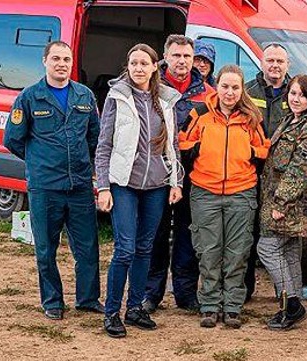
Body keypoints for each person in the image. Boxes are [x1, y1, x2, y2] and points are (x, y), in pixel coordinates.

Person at [3, 41, 102, 321]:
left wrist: (85, 164)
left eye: (67, 59)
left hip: (79, 185)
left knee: (87, 247)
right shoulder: (30, 97)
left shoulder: (84, 96)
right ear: (45, 61)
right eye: (56, 58)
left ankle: (88, 299)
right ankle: (53, 302)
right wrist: (39, 161)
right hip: (46, 187)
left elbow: (94, 137)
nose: (62, 64)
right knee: (46, 248)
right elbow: (12, 139)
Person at [94, 44, 184, 338]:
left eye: (144, 63)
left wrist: (175, 182)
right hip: (124, 184)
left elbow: (173, 147)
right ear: (128, 66)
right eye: (133, 63)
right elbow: (104, 143)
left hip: (156, 186)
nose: (139, 68)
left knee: (145, 248)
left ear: (155, 67)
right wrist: (103, 186)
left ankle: (135, 308)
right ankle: (111, 313)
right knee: (125, 248)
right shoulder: (117, 97)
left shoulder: (165, 100)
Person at [181, 65, 268, 329]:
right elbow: (182, 141)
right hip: (205, 192)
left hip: (241, 193)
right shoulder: (200, 114)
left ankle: (232, 306)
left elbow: (263, 148)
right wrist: (199, 149)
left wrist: (250, 156)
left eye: (235, 87)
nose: (230, 92)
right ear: (216, 86)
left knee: (237, 252)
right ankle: (208, 305)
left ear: (242, 90)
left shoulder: (252, 118)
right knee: (208, 251)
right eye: (225, 86)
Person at [258, 75, 307, 331]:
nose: (295, 98)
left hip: (290, 203)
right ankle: (291, 306)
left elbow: (302, 169)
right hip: (279, 199)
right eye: (292, 93)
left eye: (302, 95)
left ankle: (291, 304)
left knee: (267, 248)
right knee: (289, 251)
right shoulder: (291, 120)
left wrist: (282, 201)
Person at [145, 35, 212, 314]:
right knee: (156, 234)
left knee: (187, 235)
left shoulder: (208, 92)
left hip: (194, 174)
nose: (182, 61)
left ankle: (186, 294)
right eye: (176, 56)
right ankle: (151, 293)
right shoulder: (150, 87)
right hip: (158, 172)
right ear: (165, 57)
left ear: (193, 58)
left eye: (187, 56)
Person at [244, 43, 293, 303]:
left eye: (280, 61)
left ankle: (282, 291)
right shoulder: (248, 91)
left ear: (288, 65)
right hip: (252, 170)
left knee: (279, 234)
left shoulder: (296, 92)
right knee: (248, 232)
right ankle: (245, 289)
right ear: (261, 63)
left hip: (283, 175)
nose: (275, 65)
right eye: (270, 60)